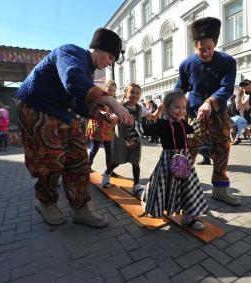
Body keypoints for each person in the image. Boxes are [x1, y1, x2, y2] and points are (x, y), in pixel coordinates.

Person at [15, 28, 133, 228]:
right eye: (110, 56)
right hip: (35, 106)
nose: (110, 62)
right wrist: (113, 102)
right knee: (49, 159)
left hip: (61, 113)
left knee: (79, 157)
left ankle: (81, 207)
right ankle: (46, 202)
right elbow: (72, 79)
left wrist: (99, 113)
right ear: (97, 48)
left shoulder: (87, 70)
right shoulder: (70, 52)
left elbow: (77, 101)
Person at [174, 17, 240, 206]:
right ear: (195, 45)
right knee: (188, 149)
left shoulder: (227, 61)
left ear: (216, 44)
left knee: (222, 148)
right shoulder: (187, 64)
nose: (206, 52)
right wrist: (173, 102)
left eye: (210, 48)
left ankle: (220, 189)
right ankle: (180, 189)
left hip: (218, 113)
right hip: (195, 113)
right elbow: (181, 86)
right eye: (202, 49)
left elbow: (227, 87)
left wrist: (210, 102)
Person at [142, 91, 208, 230]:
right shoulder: (162, 123)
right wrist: (134, 120)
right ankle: (154, 208)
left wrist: (199, 118)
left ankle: (189, 217)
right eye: (177, 107)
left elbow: (192, 129)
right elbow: (146, 130)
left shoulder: (183, 123)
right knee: (160, 185)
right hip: (167, 161)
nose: (181, 111)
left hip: (184, 160)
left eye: (184, 107)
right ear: (167, 108)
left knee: (189, 187)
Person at [102, 83, 163, 197]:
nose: (135, 95)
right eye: (132, 92)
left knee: (135, 161)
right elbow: (112, 122)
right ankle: (106, 175)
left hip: (135, 138)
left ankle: (136, 185)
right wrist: (112, 121)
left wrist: (159, 109)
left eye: (138, 93)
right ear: (126, 94)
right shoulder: (119, 107)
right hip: (122, 137)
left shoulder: (141, 108)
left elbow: (153, 117)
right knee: (117, 160)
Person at [86, 80, 119, 172]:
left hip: (107, 128)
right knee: (94, 148)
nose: (111, 92)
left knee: (109, 151)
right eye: (109, 90)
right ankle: (87, 166)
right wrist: (102, 112)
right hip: (97, 127)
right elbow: (95, 108)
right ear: (105, 89)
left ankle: (109, 171)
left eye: (113, 90)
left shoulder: (113, 101)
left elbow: (116, 112)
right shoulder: (100, 98)